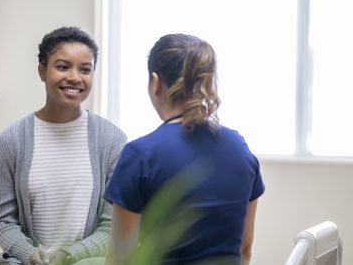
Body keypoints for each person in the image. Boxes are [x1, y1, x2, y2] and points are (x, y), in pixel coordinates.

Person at [103, 33, 265, 265]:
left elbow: (121, 258)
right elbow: (244, 248)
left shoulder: (140, 155)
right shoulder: (240, 149)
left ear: (156, 83)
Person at [0, 26, 127, 265]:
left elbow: (111, 225)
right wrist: (30, 255)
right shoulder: (10, 140)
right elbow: (3, 222)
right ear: (42, 71)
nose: (75, 77)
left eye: (85, 69)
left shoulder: (112, 140)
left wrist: (68, 255)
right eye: (63, 67)